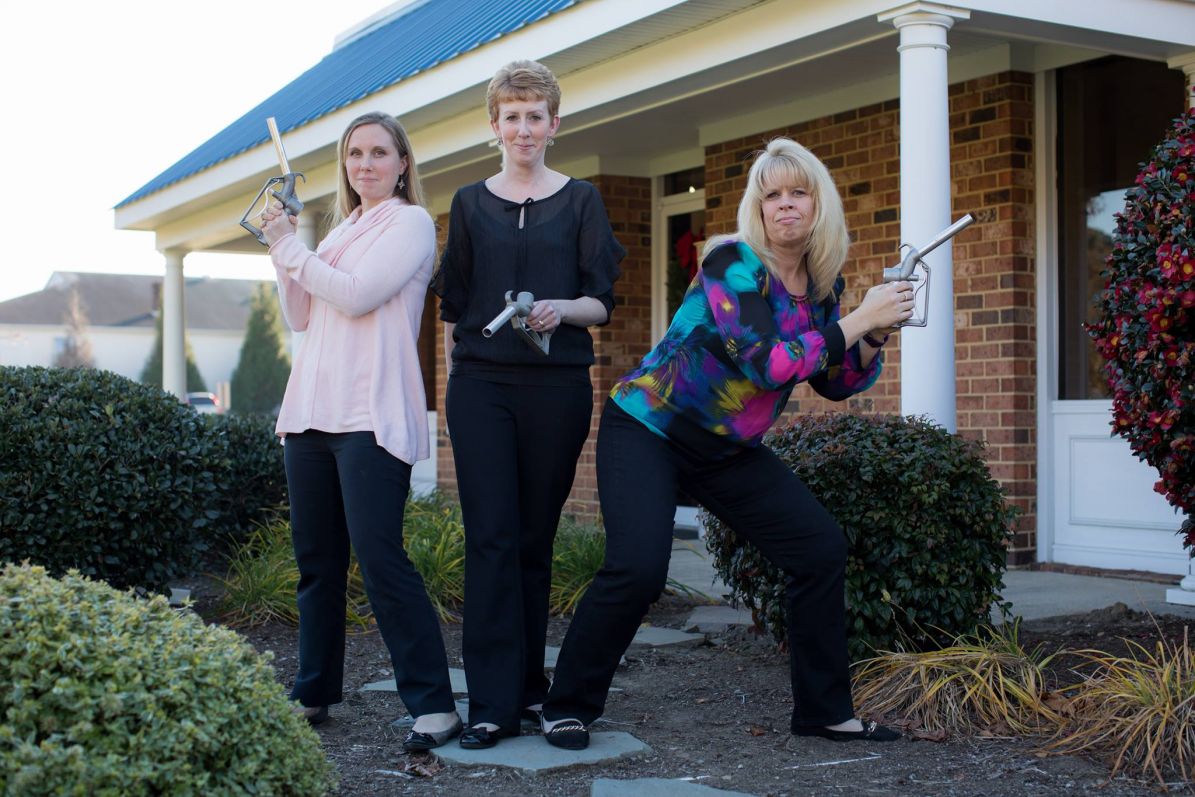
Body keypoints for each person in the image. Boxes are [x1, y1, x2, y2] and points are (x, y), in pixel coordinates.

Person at [539, 138, 913, 750]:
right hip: (649, 429)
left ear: (821, 205)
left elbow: (832, 380)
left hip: (727, 450)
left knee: (818, 549)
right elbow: (768, 363)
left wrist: (875, 335)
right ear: (757, 208)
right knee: (637, 570)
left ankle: (824, 711)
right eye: (772, 195)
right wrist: (861, 321)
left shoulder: (821, 286)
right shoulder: (731, 262)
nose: (786, 205)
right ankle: (566, 705)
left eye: (799, 193)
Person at [432, 60, 624, 749]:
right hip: (481, 386)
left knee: (533, 540)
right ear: (494, 126)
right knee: (490, 537)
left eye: (534, 115)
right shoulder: (466, 203)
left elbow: (599, 300)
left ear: (554, 124)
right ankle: (489, 702)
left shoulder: (581, 201)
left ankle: (529, 688)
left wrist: (558, 310)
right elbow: (454, 299)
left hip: (556, 387)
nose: (522, 128)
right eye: (510, 116)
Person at [261, 111, 462, 752]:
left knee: (381, 560)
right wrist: (280, 247)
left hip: (369, 416)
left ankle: (434, 704)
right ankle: (313, 690)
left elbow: (354, 296)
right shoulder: (343, 228)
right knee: (316, 564)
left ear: (403, 163)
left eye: (379, 153)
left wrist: (294, 249)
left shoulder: (408, 224)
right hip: (311, 414)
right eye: (355, 155)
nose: (366, 164)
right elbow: (300, 313)